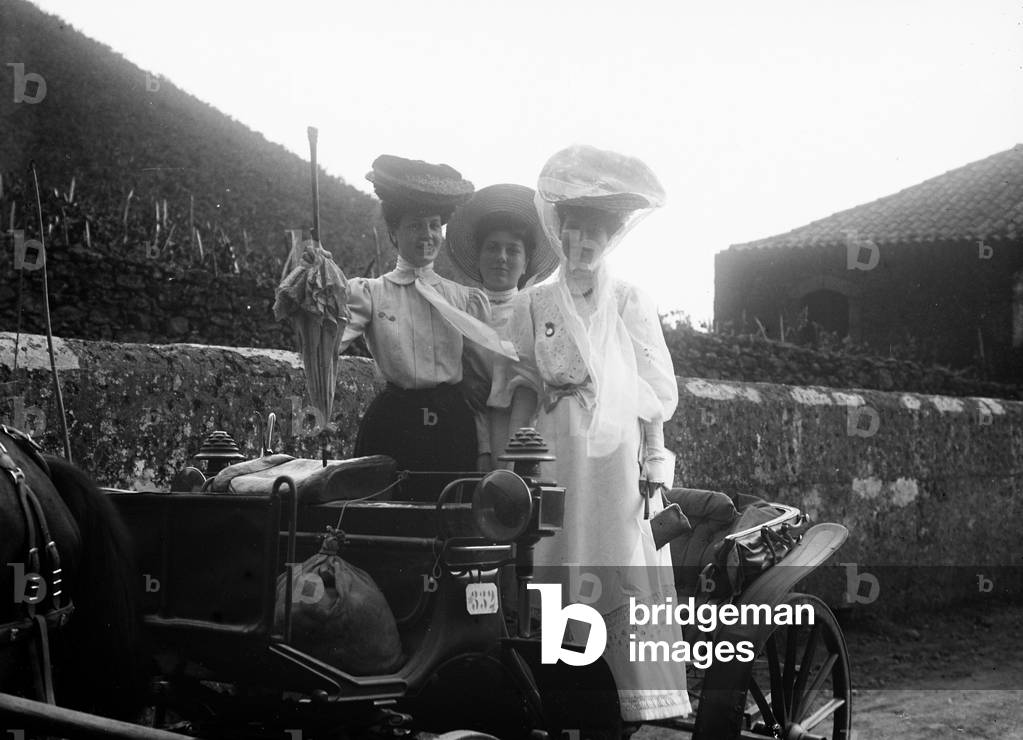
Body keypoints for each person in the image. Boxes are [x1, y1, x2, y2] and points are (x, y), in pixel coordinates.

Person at [493, 145, 690, 722]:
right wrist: (512, 462)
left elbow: (653, 391)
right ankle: (564, 688)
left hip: (613, 456)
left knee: (617, 554)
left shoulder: (629, 300)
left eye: (594, 236)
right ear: (559, 233)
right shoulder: (535, 302)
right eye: (573, 233)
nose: (581, 246)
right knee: (556, 550)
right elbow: (523, 382)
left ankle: (632, 699)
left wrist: (655, 461)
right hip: (554, 448)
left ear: (609, 240)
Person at [339, 155, 517, 492]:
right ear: (393, 232)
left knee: (447, 523)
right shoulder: (370, 293)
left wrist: (483, 448)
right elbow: (329, 343)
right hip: (393, 425)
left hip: (452, 427)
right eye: (415, 225)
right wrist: (316, 292)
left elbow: (481, 386)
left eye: (434, 225)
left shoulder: (464, 300)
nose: (427, 235)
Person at [445, 184, 558, 468]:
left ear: (526, 262)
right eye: (493, 248)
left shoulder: (537, 312)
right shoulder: (459, 307)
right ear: (479, 255)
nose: (502, 258)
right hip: (460, 426)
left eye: (513, 250)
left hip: (517, 433)